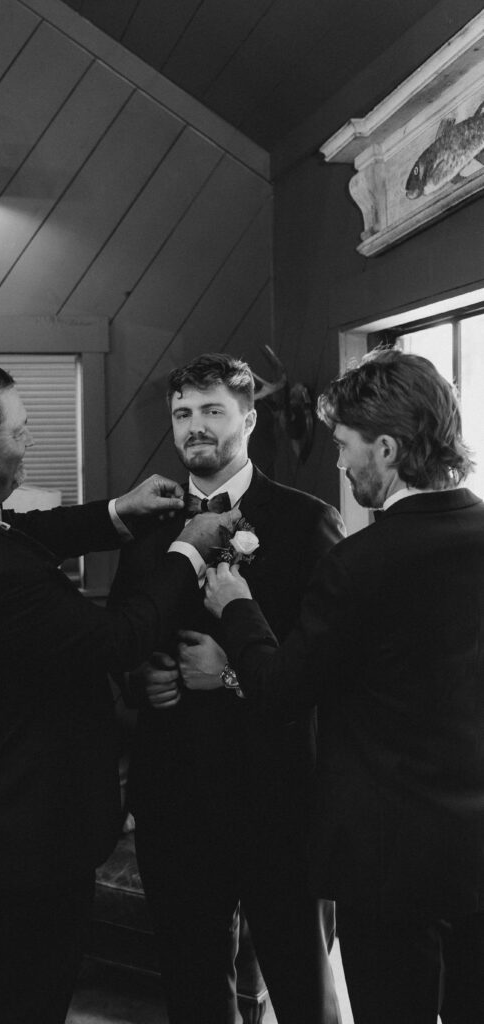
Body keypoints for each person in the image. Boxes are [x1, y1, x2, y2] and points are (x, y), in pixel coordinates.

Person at [0, 358, 239, 1024]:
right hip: (30, 823)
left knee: (23, 985)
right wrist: (186, 552)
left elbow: (18, 534)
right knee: (29, 998)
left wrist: (114, 513)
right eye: (18, 431)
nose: (29, 443)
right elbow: (113, 642)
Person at [192, 348, 484, 1024]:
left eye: (345, 447)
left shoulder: (360, 563)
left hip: (386, 860)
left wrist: (235, 604)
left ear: (386, 447)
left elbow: (279, 691)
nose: (339, 465)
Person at [107, 352, 345, 1024]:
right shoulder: (148, 525)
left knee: (301, 987)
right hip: (172, 797)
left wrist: (234, 670)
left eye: (211, 410)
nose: (195, 426)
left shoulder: (307, 522)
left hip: (276, 798)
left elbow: (328, 666)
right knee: (190, 985)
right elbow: (123, 632)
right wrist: (142, 675)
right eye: (183, 413)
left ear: (247, 416)